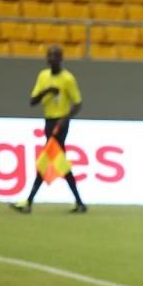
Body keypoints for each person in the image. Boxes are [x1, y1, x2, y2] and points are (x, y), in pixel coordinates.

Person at [10, 46, 88, 214]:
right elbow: (33, 101)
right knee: (59, 161)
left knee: (47, 159)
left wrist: (65, 119)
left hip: (60, 123)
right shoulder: (43, 76)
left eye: (55, 56)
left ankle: (29, 202)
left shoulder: (67, 79)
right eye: (50, 56)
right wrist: (47, 91)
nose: (52, 59)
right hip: (48, 122)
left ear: (61, 59)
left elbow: (78, 103)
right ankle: (80, 203)